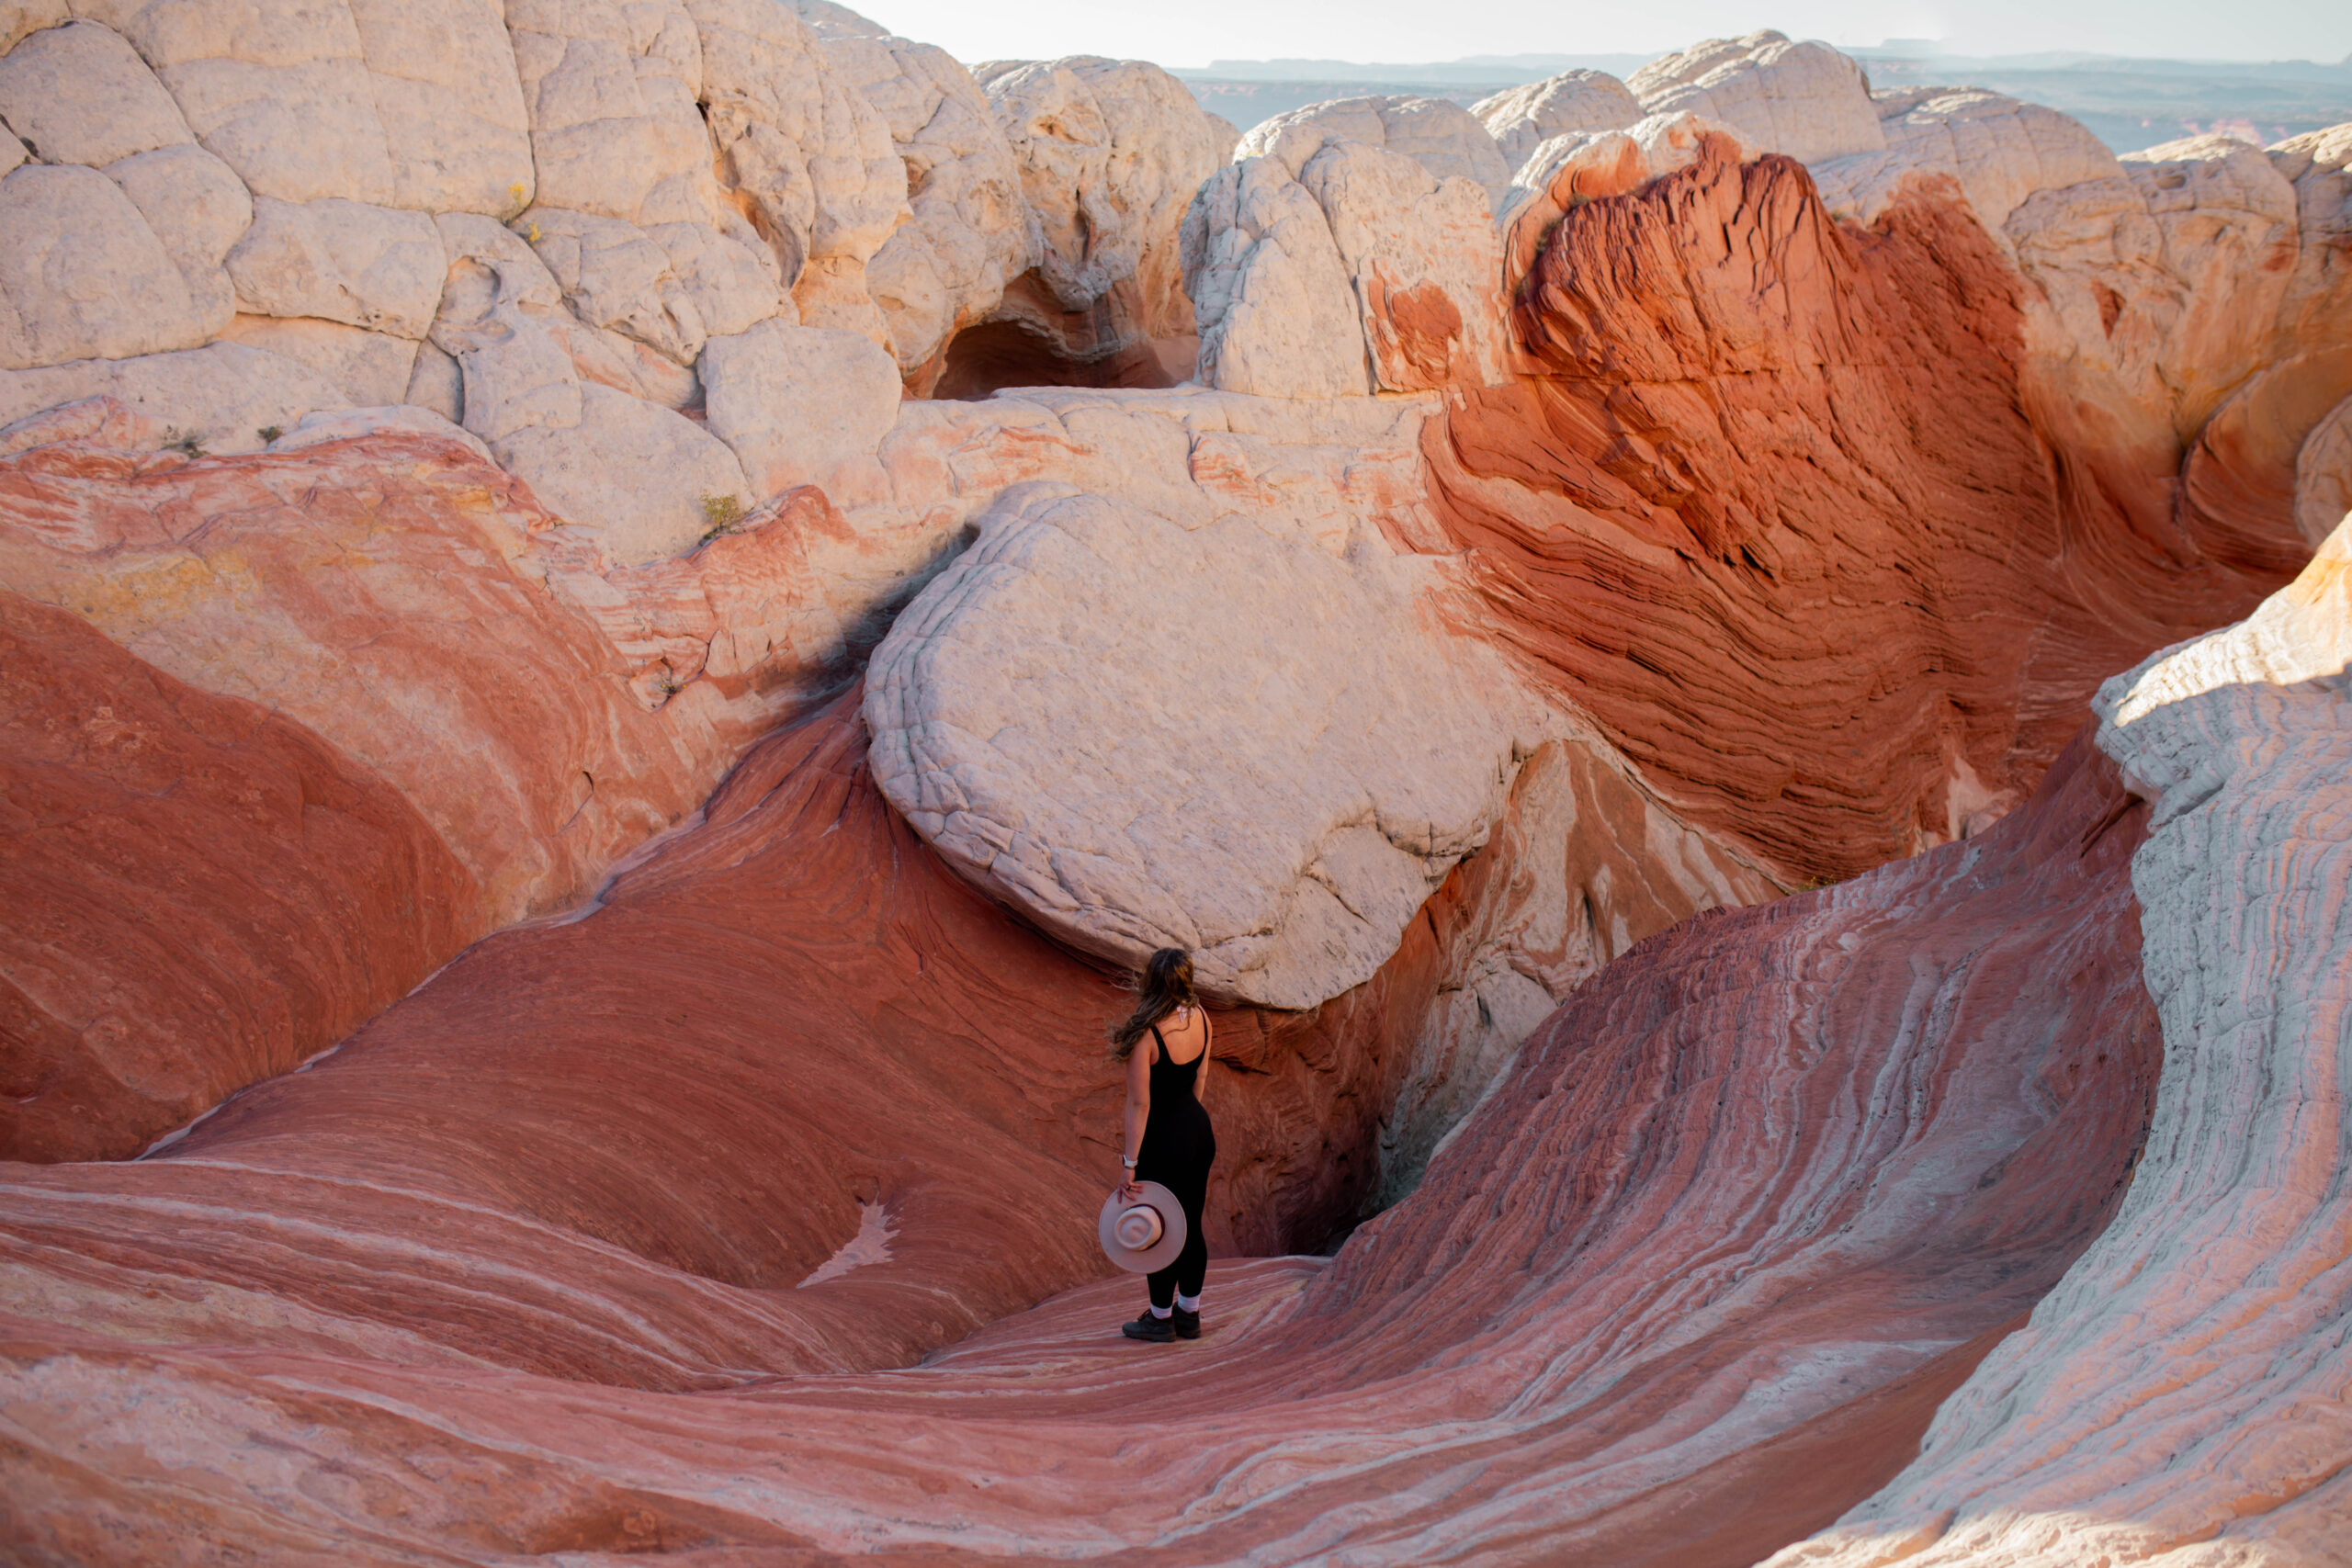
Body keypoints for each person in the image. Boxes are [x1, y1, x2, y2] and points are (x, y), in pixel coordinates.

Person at [1111, 948, 1216, 1342]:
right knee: (1190, 1224)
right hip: (1197, 1133)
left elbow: (1140, 1105)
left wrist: (1130, 1164)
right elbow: (1199, 1079)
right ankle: (1189, 1314)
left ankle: (1159, 1319)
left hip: (1163, 1142)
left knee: (1160, 1226)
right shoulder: (1202, 1017)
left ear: (1151, 982)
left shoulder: (1146, 1036)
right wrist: (1186, 1125)